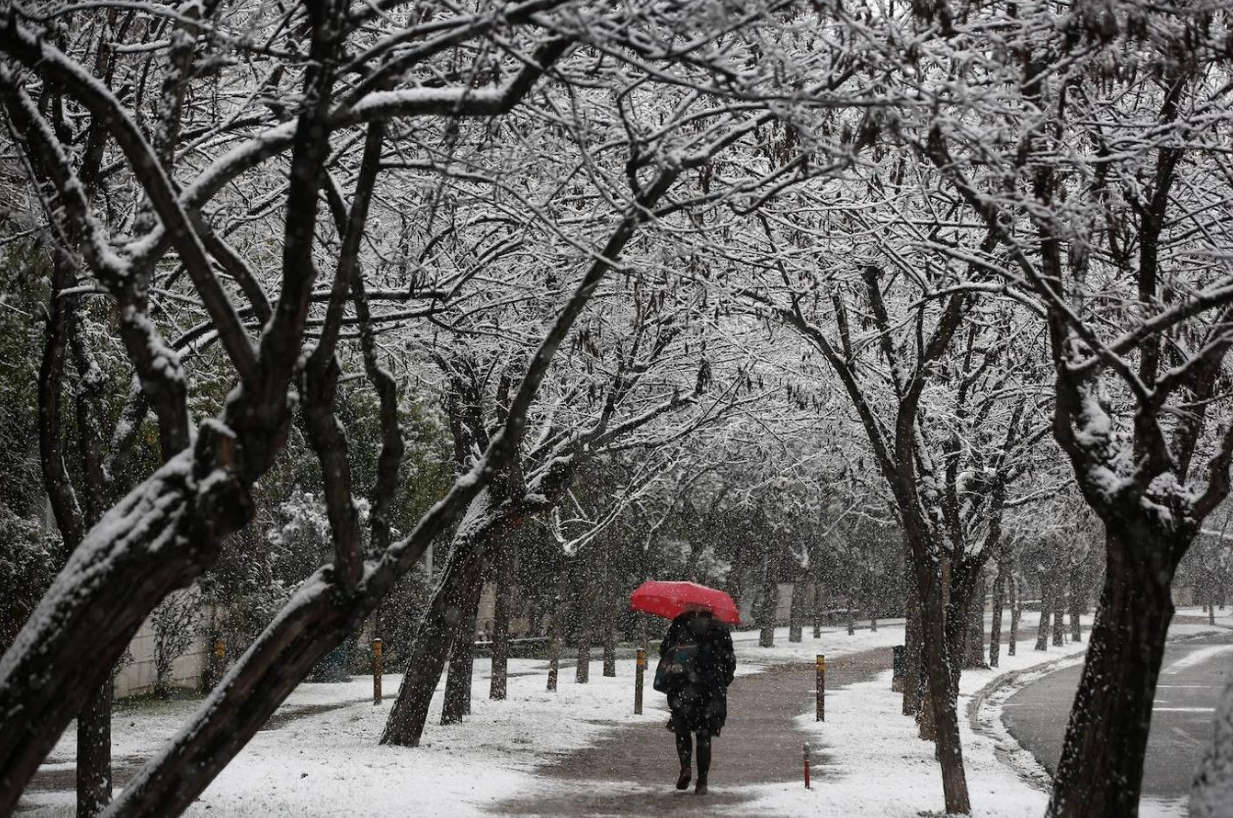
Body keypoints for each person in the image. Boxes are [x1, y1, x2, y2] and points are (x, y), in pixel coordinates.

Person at [657, 609, 736, 795]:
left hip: (684, 685)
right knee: (704, 735)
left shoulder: (681, 622)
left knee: (682, 730)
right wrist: (722, 680)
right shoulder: (719, 627)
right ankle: (702, 780)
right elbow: (730, 660)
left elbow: (664, 650)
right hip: (711, 688)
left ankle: (685, 768)